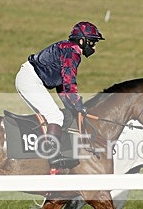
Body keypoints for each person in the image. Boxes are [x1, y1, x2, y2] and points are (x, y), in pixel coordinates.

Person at [15, 21, 104, 169]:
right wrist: (78, 105)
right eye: (92, 42)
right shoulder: (72, 52)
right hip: (29, 79)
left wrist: (72, 107)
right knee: (55, 116)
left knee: (57, 115)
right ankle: (52, 156)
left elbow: (62, 86)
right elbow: (69, 84)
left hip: (28, 77)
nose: (94, 47)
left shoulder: (70, 50)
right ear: (82, 41)